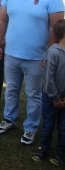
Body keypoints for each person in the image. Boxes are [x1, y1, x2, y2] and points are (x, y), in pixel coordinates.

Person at [0, 0, 64, 146]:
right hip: (12, 54)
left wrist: (49, 55)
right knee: (11, 90)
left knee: (33, 94)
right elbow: (1, 20)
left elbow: (56, 28)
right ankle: (9, 119)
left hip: (37, 57)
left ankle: (31, 128)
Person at [32, 19, 65, 166]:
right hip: (50, 97)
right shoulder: (53, 52)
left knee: (63, 128)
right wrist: (55, 98)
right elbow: (49, 78)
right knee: (48, 125)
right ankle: (43, 149)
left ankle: (61, 154)